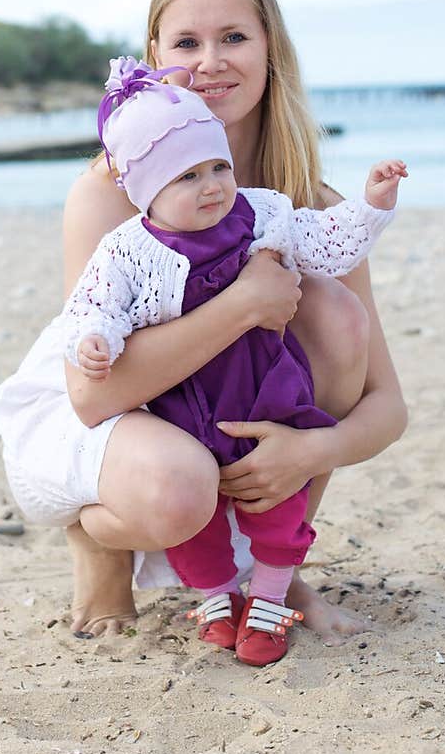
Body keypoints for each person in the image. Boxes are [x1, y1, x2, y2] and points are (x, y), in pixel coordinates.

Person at [0, 0, 409, 645]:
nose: (211, 61)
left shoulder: (303, 203)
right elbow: (94, 397)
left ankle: (279, 563)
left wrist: (309, 453)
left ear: (271, 49)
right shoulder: (109, 194)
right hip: (107, 409)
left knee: (334, 313)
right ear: (156, 57)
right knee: (180, 489)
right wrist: (244, 305)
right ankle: (98, 540)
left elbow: (385, 403)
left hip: (228, 406)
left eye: (234, 38)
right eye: (187, 42)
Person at [57, 57, 405, 665]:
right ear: (147, 191)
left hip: (263, 392)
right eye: (189, 176)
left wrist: (371, 206)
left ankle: (270, 601)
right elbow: (97, 306)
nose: (213, 185)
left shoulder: (263, 213)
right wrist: (98, 339)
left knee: (279, 509)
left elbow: (326, 241)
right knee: (200, 522)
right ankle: (216, 599)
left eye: (219, 166)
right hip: (178, 406)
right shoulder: (130, 246)